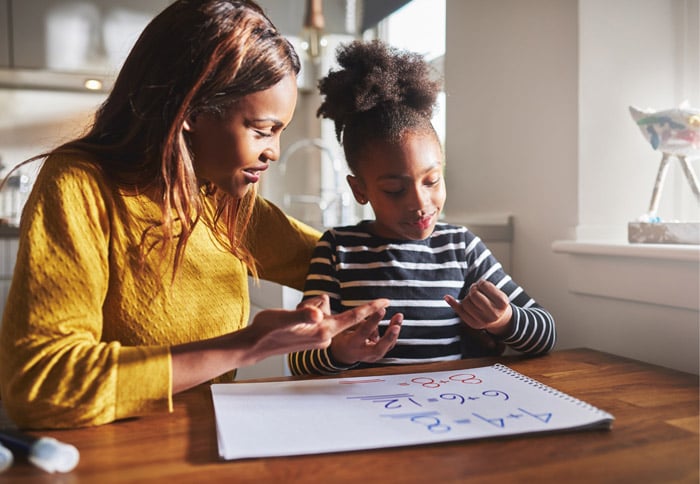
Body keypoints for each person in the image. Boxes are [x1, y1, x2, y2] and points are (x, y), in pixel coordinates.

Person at [0, 0, 391, 429]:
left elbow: (347, 265)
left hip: (211, 440)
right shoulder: (80, 184)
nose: (273, 152)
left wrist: (461, 278)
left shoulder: (224, 199)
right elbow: (39, 386)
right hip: (113, 454)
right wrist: (247, 345)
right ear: (192, 110)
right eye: (262, 130)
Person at [287, 40, 556, 376]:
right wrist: (339, 352)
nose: (419, 202)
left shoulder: (460, 247)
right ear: (360, 190)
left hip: (445, 409)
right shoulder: (337, 249)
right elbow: (298, 358)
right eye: (395, 190)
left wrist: (504, 321)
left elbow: (546, 334)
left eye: (431, 181)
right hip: (362, 413)